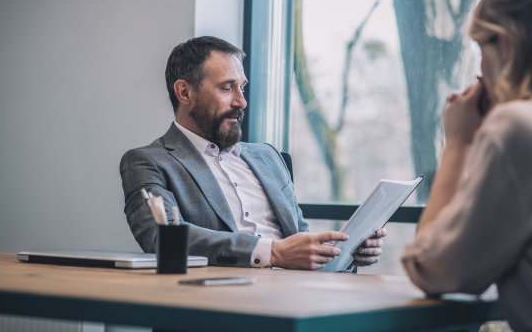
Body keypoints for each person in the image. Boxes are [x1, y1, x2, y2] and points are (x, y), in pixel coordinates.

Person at [401, 0, 532, 331]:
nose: (480, 70)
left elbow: (432, 269)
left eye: (480, 49)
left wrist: (458, 143)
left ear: (503, 43)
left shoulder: (519, 128)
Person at [120, 36, 386, 270]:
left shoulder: (268, 157)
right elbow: (162, 237)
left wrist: (344, 253)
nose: (241, 101)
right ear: (184, 92)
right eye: (226, 88)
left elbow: (298, 236)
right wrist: (273, 252)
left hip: (296, 294)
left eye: (242, 87)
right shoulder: (149, 161)